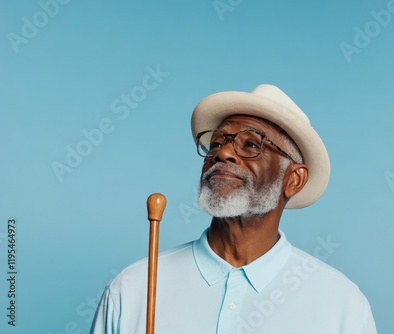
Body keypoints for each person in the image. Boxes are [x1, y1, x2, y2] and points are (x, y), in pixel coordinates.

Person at [90, 84, 377, 334]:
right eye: (216, 143)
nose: (223, 153)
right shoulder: (131, 290)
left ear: (294, 180)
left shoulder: (342, 306)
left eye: (251, 144)